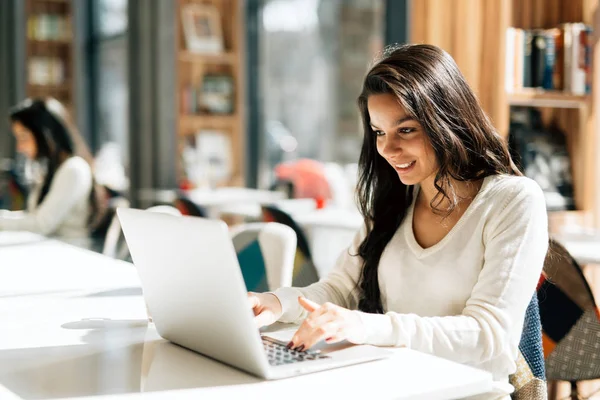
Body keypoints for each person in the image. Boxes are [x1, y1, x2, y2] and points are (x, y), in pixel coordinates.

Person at [248, 44, 548, 399]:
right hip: (393, 385)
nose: (387, 149)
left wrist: (367, 325)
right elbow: (339, 290)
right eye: (378, 132)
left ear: (447, 121)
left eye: (405, 130)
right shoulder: (395, 202)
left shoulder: (512, 201)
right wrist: (275, 303)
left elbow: (490, 337)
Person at [0, 98, 105, 245]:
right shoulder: (50, 169)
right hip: (50, 250)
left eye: (23, 137)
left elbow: (42, 224)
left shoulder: (73, 169)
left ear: (46, 134)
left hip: (71, 256)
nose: (19, 148)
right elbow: (34, 217)